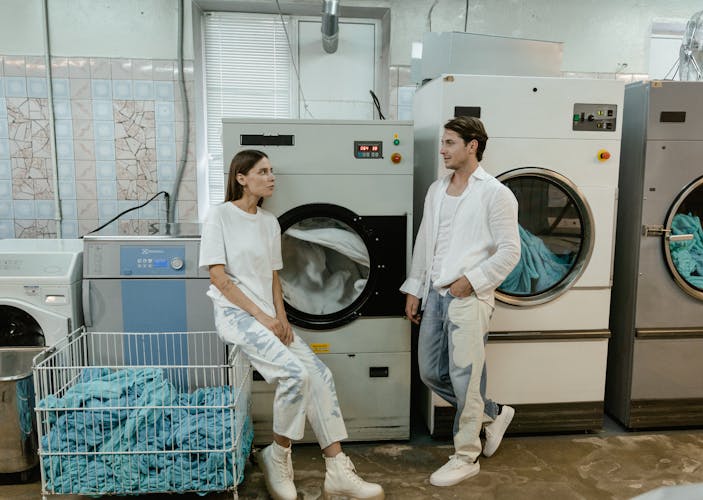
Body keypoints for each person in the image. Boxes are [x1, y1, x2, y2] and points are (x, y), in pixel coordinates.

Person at [199, 149, 384, 500]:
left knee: (319, 375)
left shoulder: (269, 221)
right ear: (241, 178)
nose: (272, 177)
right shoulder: (219, 217)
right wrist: (264, 318)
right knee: (293, 376)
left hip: (269, 316)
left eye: (272, 171)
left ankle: (338, 470)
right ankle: (277, 456)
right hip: (237, 316)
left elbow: (273, 278)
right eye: (263, 171)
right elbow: (220, 278)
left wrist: (282, 319)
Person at [401, 116, 522, 487]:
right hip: (436, 295)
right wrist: (414, 288)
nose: (442, 150)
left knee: (465, 378)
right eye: (442, 142)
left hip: (469, 297)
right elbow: (426, 242)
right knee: (430, 372)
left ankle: (465, 455)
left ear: (473, 146)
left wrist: (471, 282)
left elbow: (510, 251)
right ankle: (494, 413)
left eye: (450, 143)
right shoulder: (438, 189)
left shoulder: (496, 193)